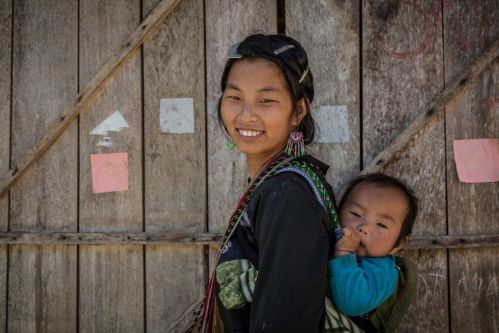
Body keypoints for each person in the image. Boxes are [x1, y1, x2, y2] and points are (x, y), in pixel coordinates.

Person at [196, 34, 339, 333]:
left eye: (266, 100)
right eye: (235, 97)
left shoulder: (287, 195)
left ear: (298, 111)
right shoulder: (277, 183)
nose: (246, 115)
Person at [328, 173, 418, 332]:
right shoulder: (325, 244)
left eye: (381, 225)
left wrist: (344, 253)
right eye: (355, 214)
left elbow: (351, 303)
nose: (363, 227)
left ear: (399, 244)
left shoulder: (383, 271)